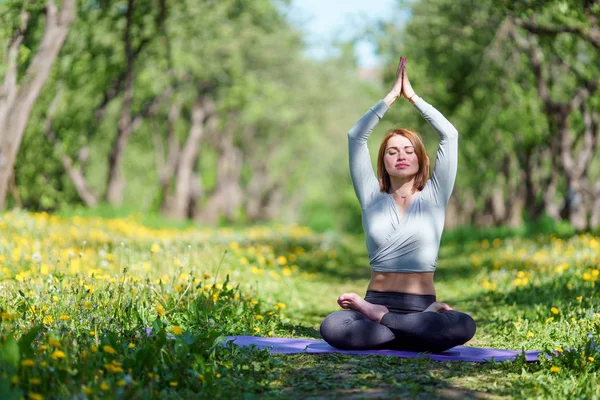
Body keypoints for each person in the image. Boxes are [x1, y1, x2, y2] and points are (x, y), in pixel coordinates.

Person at [319, 56, 476, 353]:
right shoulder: (370, 195)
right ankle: (409, 330)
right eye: (392, 151)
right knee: (334, 326)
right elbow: (356, 137)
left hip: (418, 306)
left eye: (408, 150)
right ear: (384, 161)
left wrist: (414, 98)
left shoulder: (435, 195)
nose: (401, 155)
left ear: (419, 159)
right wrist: (390, 98)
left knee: (463, 324)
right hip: (377, 299)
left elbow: (450, 135)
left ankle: (387, 321)